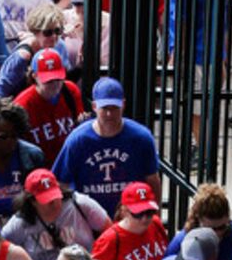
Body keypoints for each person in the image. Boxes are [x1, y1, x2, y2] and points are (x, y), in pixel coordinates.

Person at [50, 76, 161, 217]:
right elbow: (60, 182)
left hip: (132, 219)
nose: (109, 114)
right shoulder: (78, 140)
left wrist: (155, 216)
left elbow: (152, 179)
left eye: (114, 108)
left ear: (123, 105)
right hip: (89, 220)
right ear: (94, 106)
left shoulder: (141, 137)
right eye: (104, 108)